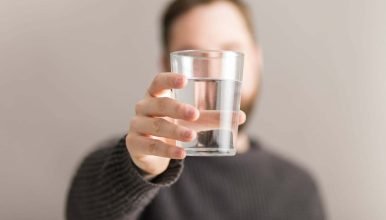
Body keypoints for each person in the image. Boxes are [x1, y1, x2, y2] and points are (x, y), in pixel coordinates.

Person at [66, 0, 326, 219]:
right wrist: (138, 170)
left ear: (257, 59)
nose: (213, 72)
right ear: (166, 66)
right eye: (193, 56)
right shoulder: (130, 163)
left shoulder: (298, 188)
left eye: (230, 51)